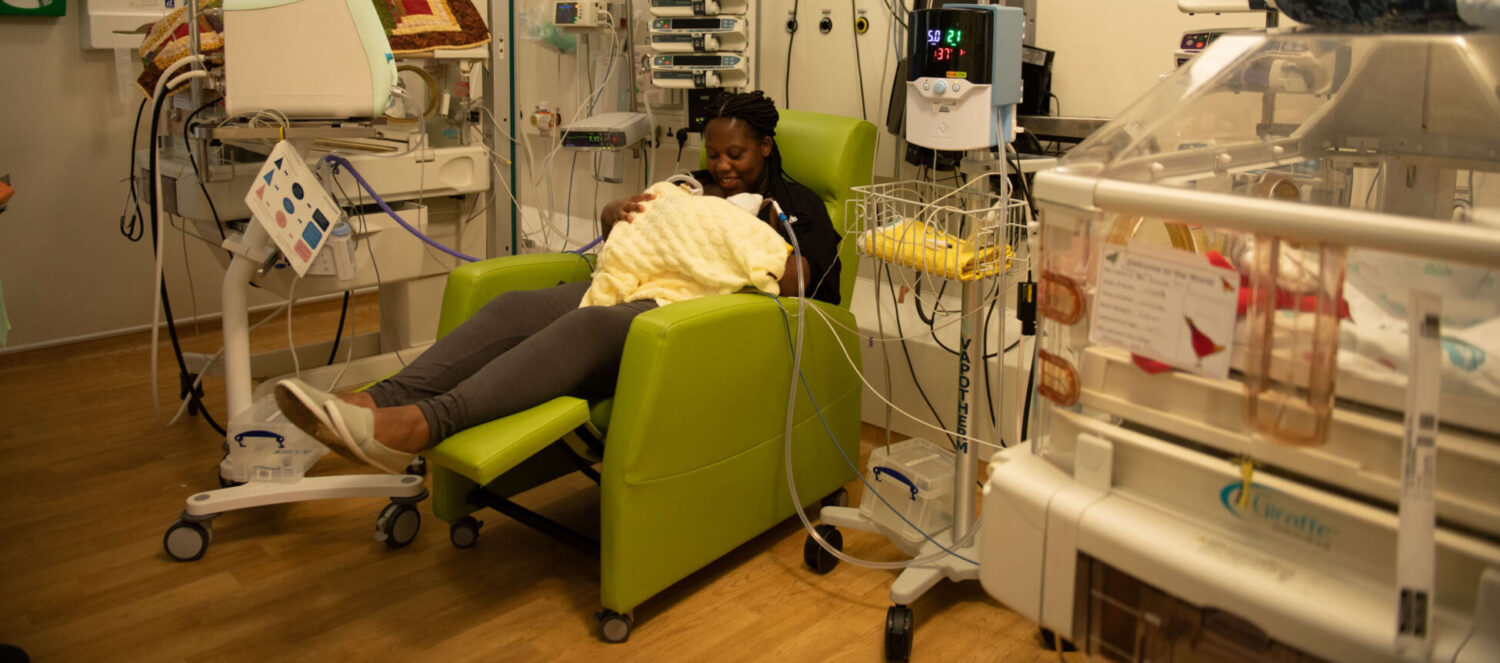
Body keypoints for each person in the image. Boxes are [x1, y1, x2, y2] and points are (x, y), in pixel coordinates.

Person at [274, 90, 844, 473]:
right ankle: (377, 401)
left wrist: (758, 235)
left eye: (736, 156)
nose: (721, 166)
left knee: (589, 326)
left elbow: (814, 287)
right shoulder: (691, 182)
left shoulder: (794, 205)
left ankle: (418, 426)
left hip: (693, 319)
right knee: (514, 308)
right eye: (713, 153)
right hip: (633, 284)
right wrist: (616, 214)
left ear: (766, 148)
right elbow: (643, 232)